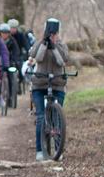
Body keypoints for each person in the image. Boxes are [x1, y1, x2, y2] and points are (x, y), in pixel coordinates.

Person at [27, 17, 71, 161]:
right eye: (50, 33)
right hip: (40, 83)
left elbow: (64, 59)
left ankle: (58, 149)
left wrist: (55, 45)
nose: (53, 35)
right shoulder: (40, 42)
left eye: (55, 33)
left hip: (57, 83)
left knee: (57, 117)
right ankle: (40, 150)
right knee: (40, 116)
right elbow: (34, 55)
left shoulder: (62, 44)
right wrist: (43, 42)